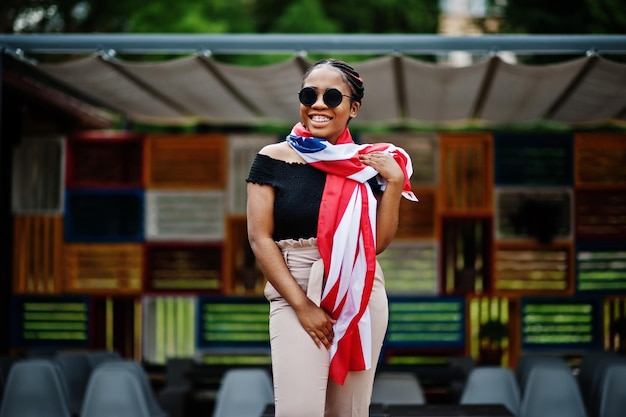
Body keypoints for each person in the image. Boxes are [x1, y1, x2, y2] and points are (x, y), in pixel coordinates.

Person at [246, 58, 418, 417]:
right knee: (299, 411)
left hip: (358, 289)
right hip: (295, 285)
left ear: (353, 108)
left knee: (348, 412)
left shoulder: (368, 165)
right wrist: (303, 307)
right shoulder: (272, 159)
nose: (319, 104)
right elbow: (260, 238)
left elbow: (379, 243)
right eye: (310, 94)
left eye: (333, 96)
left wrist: (396, 183)